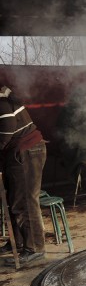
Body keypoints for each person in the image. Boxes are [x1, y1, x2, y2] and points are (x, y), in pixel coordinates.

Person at [0, 86, 47, 265]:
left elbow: (6, 131)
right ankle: (18, 242)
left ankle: (34, 248)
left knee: (25, 201)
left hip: (27, 151)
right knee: (15, 200)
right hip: (19, 152)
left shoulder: (1, 102)